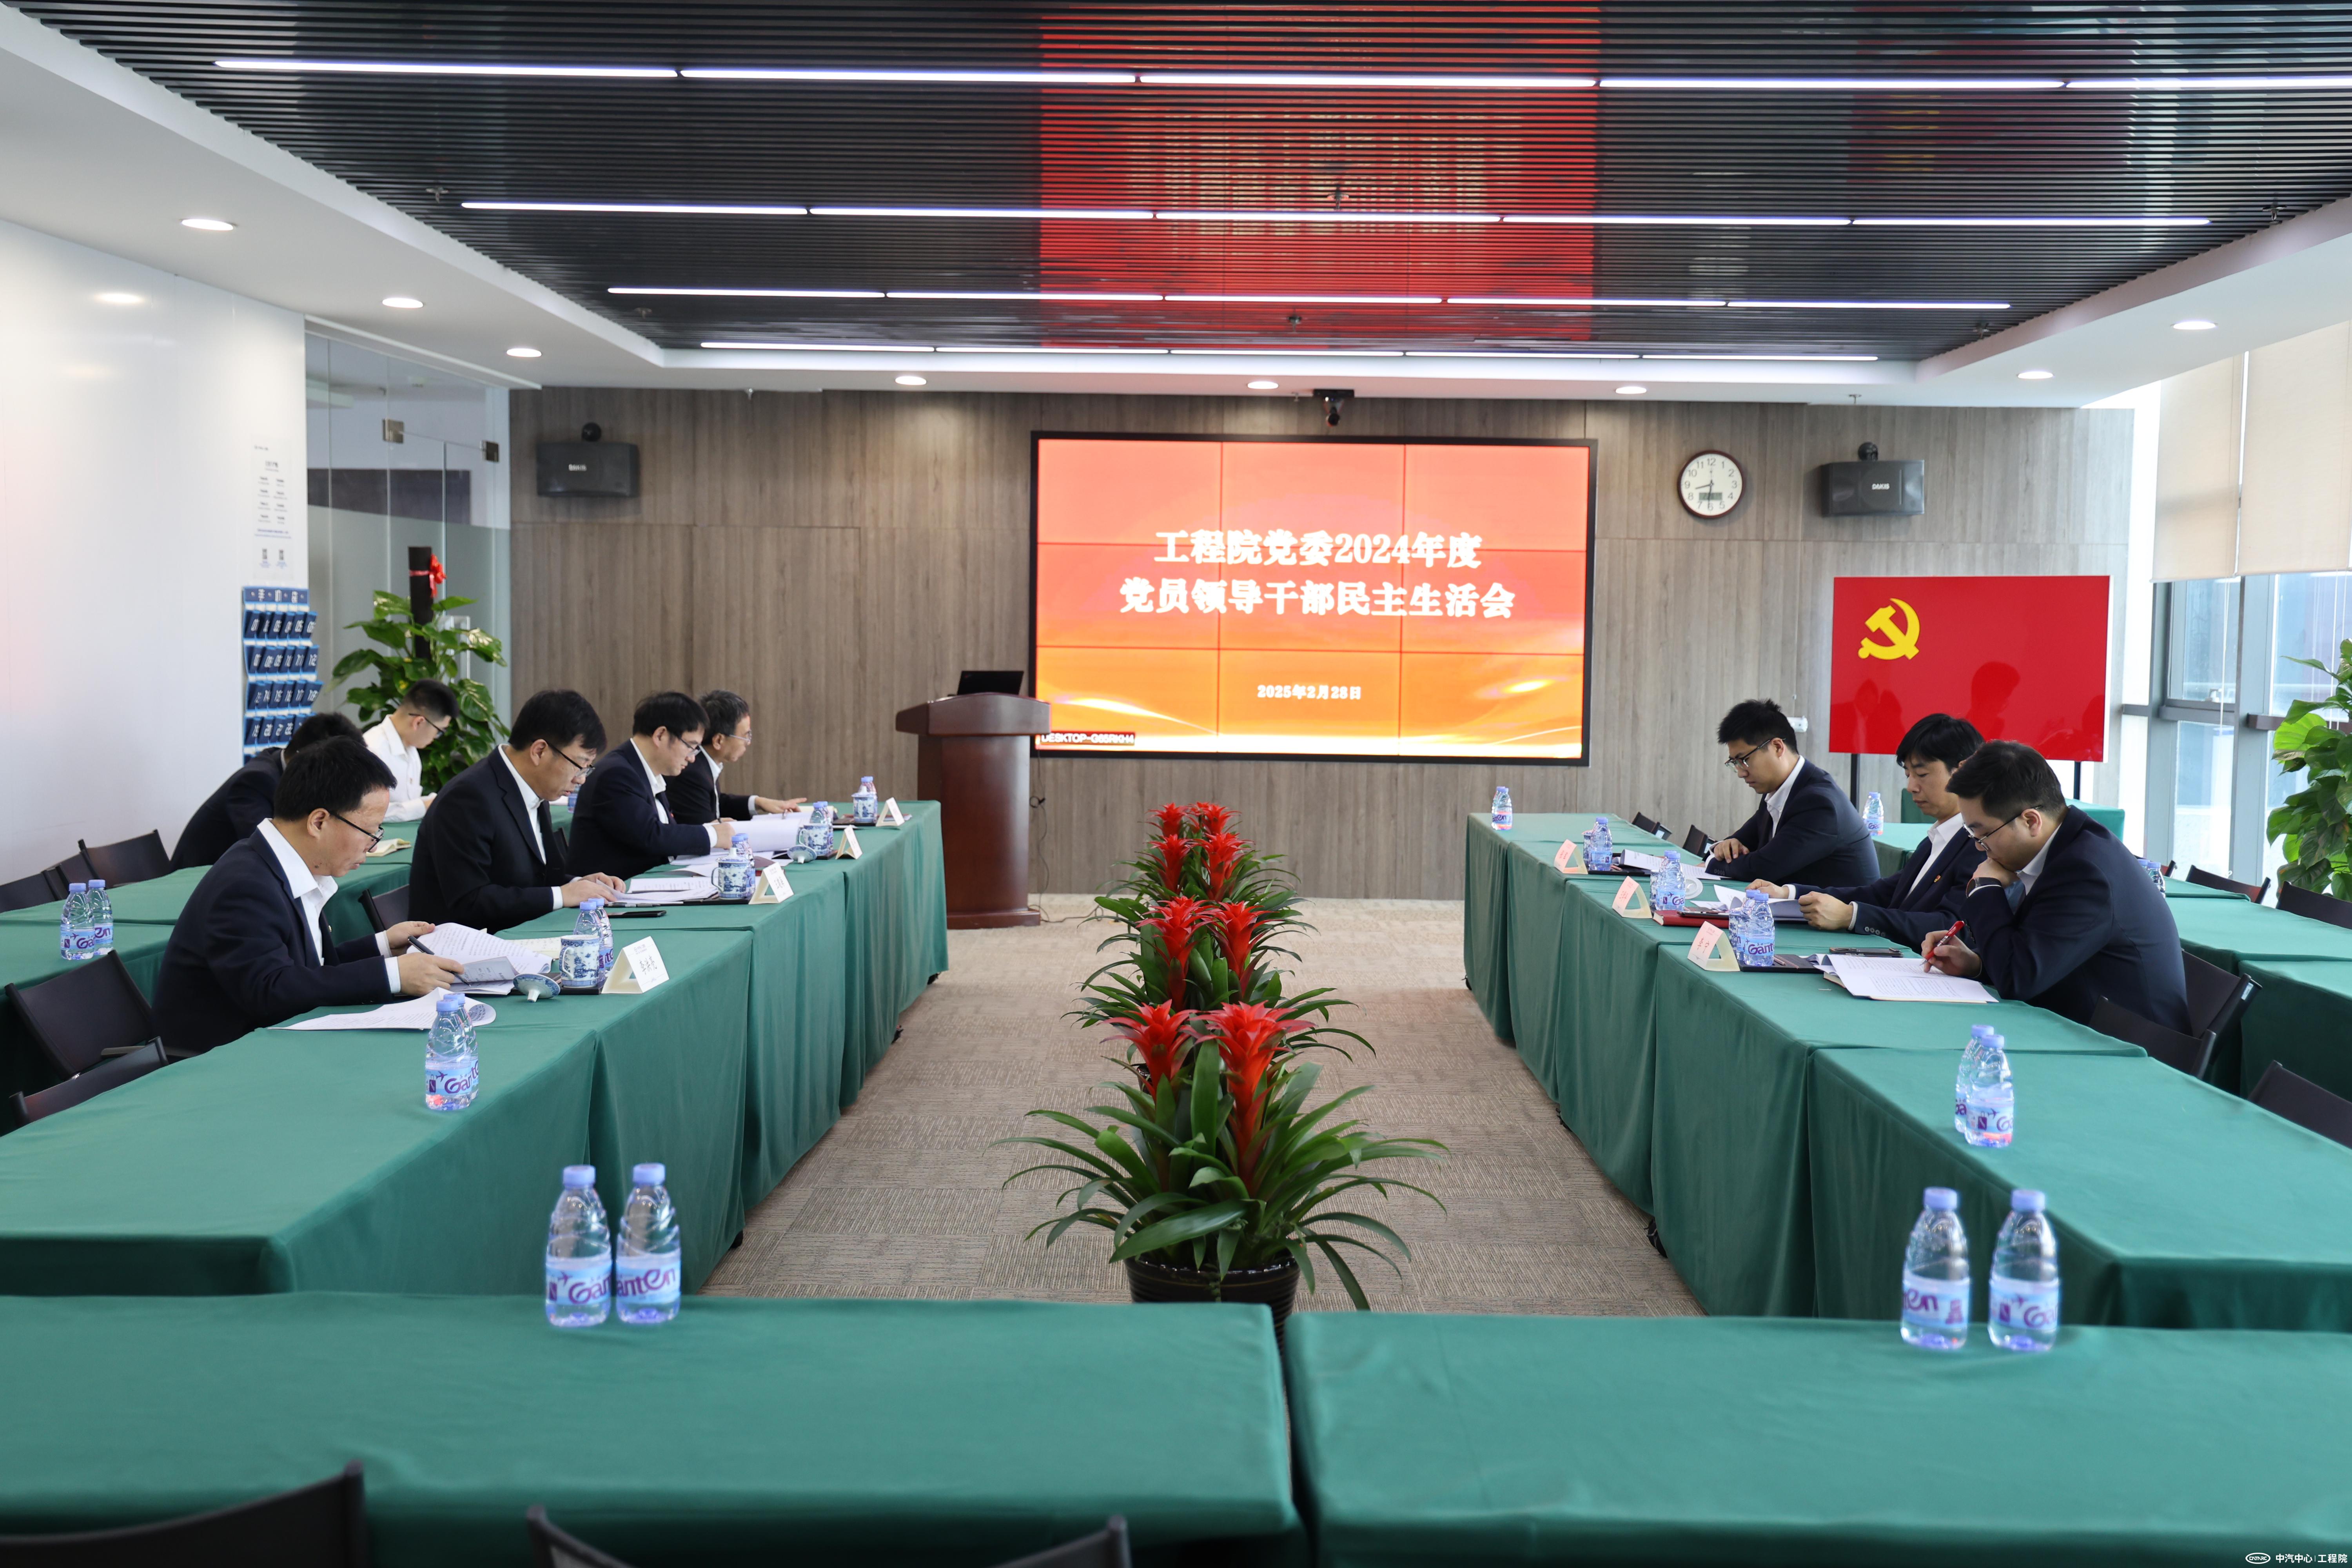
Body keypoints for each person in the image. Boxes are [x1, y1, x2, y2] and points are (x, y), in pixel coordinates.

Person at [154, 739, 465, 1055]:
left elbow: (309, 968)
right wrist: (393, 976)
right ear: (318, 822)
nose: (372, 846)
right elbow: (271, 990)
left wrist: (383, 945)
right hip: (222, 1059)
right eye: (370, 832)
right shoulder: (245, 885)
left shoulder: (281, 862)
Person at [1922, 740, 2190, 1032]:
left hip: (2129, 1046)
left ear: (2031, 821)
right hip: (2077, 1022)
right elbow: (2035, 953)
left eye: (1983, 833)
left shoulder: (2085, 872)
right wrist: (1976, 964)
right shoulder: (2066, 848)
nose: (1978, 846)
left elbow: (2018, 979)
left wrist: (1985, 889)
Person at [1749, 713, 1987, 945]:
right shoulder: (1936, 839)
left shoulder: (1980, 845)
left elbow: (1952, 927)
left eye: (1922, 775)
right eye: (1908, 775)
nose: (1911, 787)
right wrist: (1790, 894)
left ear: (1961, 771)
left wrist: (1852, 916)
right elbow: (1881, 894)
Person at [408, 689, 628, 932]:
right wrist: (562, 895)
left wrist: (581, 885)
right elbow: (470, 902)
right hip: (463, 947)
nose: (581, 779)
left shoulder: (534, 786)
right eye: (579, 765)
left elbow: (534, 879)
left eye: (588, 768)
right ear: (540, 751)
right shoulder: (467, 798)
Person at [1705, 698, 1879, 889]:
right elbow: (1740, 843)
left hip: (1840, 908)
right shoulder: (1778, 790)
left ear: (1777, 747)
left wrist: (1713, 863)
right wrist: (1724, 848)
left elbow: (1761, 868)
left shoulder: (1819, 804)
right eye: (1735, 763)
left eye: (1744, 760)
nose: (1741, 773)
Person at [567, 691, 739, 881]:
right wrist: (711, 835)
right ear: (661, 735)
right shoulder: (616, 774)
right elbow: (651, 836)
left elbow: (660, 831)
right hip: (613, 890)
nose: (692, 758)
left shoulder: (642, 770)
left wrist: (708, 829)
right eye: (691, 747)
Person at [170, 713, 362, 870]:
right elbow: (268, 848)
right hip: (196, 882)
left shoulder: (284, 768)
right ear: (309, 758)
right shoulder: (255, 781)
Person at [667, 689, 806, 825]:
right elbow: (704, 832)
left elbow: (715, 802)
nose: (748, 743)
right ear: (719, 741)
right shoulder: (693, 773)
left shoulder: (703, 763)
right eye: (745, 736)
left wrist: (759, 802)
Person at [362, 678, 458, 823]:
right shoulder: (372, 750)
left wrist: (433, 802)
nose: (436, 737)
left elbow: (408, 804)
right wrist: (424, 806)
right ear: (419, 722)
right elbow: (366, 812)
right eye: (439, 731)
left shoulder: (411, 749)